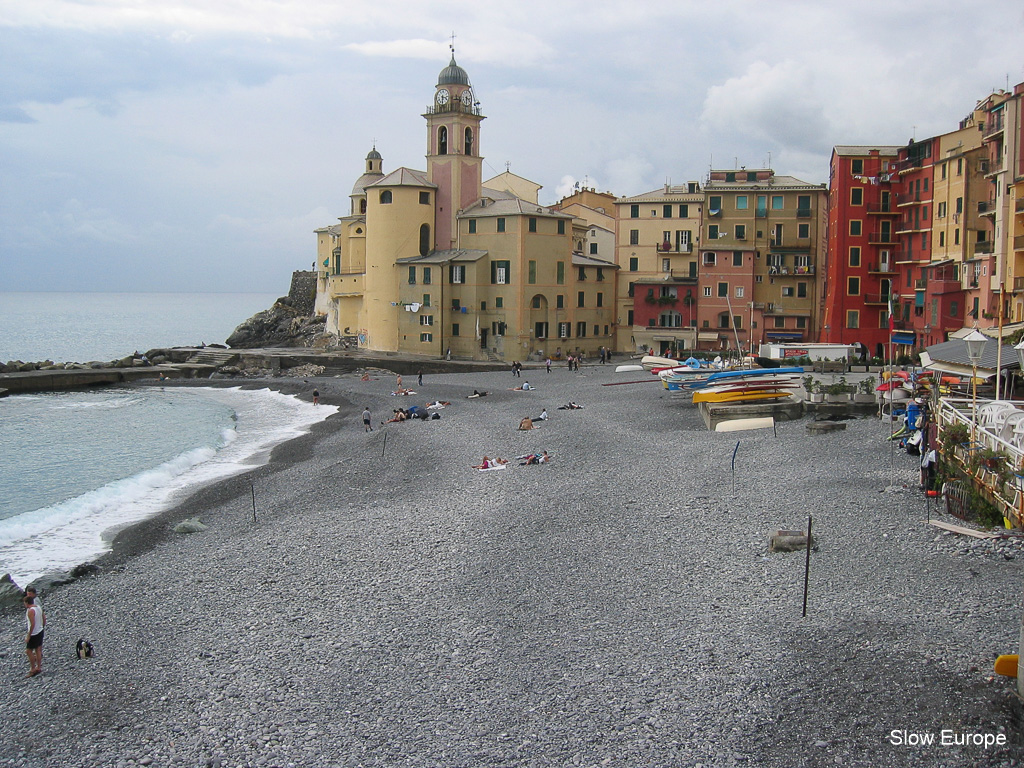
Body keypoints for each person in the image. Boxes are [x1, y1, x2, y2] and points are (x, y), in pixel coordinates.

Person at [24, 594, 44, 678]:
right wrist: (42, 626)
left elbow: (32, 624)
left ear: (26, 603)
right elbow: (44, 618)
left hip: (34, 633)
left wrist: (28, 635)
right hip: (40, 630)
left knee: (28, 651)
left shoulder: (30, 610)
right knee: (38, 650)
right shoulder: (38, 607)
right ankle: (38, 667)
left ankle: (33, 669)